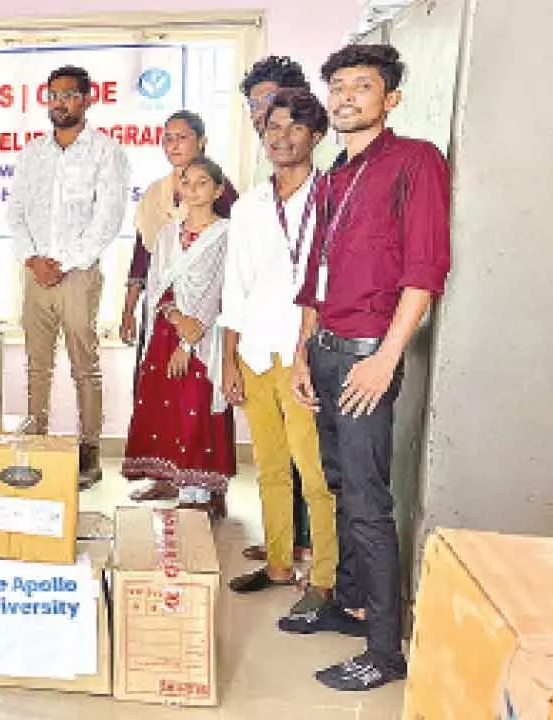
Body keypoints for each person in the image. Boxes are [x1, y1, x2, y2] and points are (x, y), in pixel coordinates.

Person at [284, 45, 450, 692]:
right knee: (336, 485)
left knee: (368, 504)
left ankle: (384, 649)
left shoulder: (415, 162)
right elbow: (313, 279)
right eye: (339, 86)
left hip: (365, 362)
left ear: (391, 99)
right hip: (324, 353)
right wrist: (303, 350)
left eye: (364, 85)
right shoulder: (332, 174)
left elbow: (426, 269)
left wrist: (385, 359)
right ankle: (349, 606)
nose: (347, 96)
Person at [219, 89, 337, 617]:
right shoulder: (249, 205)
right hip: (255, 350)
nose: (281, 137)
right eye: (272, 128)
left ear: (316, 135)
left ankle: (327, 580)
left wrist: (308, 351)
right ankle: (278, 565)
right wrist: (228, 360)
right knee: (268, 467)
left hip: (302, 353)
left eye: (294, 128)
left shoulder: (332, 196)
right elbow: (234, 288)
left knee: (313, 473)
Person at [11, 65, 130, 490]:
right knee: (37, 366)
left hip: (77, 274)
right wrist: (32, 259)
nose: (60, 103)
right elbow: (17, 212)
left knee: (85, 366)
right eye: (53, 95)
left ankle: (90, 452)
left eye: (69, 95)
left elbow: (109, 217)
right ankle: (37, 441)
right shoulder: (31, 153)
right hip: (35, 274)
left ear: (87, 99)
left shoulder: (106, 152)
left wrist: (62, 262)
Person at [240, 56, 322, 564]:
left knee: (310, 459)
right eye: (254, 106)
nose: (262, 115)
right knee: (274, 459)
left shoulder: (324, 188)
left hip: (306, 342)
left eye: (270, 102)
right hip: (261, 341)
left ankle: (314, 550)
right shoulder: (257, 183)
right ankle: (283, 546)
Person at [121, 157, 236, 514]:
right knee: (165, 404)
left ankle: (199, 491)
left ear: (218, 191)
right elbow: (157, 283)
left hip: (204, 336)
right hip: (167, 331)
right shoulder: (169, 233)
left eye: (203, 183)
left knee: (197, 404)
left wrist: (189, 339)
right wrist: (172, 315)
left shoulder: (226, 234)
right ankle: (168, 479)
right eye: (187, 182)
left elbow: (222, 288)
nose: (193, 189)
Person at [242, 55, 342, 183]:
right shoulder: (263, 169)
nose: (260, 112)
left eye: (270, 100)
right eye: (253, 105)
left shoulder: (335, 162)